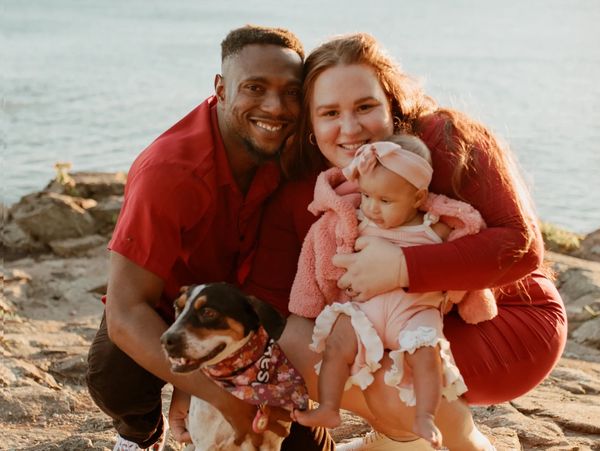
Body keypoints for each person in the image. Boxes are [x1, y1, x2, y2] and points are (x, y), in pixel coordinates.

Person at [243, 32, 567, 450]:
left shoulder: (446, 138)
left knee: (408, 364)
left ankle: (465, 444)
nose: (350, 128)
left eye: (365, 107)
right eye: (329, 113)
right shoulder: (309, 188)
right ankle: (398, 440)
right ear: (309, 121)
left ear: (391, 103)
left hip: (503, 318)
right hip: (391, 320)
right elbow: (272, 301)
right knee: (296, 344)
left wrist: (402, 267)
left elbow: (520, 246)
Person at [85, 25, 335, 451]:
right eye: (254, 88)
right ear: (220, 88)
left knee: (301, 444)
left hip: (255, 311)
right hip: (168, 312)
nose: (275, 107)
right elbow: (126, 313)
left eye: (291, 92)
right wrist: (219, 395)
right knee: (114, 373)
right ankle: (141, 435)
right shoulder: (169, 173)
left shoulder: (297, 152)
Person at [289, 135, 499, 449]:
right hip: (365, 311)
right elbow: (315, 251)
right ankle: (329, 409)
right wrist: (312, 296)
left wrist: (469, 298)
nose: (372, 208)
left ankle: (425, 416)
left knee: (427, 358)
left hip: (413, 312)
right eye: (367, 196)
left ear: (418, 198)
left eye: (385, 201)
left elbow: (466, 257)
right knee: (336, 345)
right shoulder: (355, 222)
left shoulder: (435, 227)